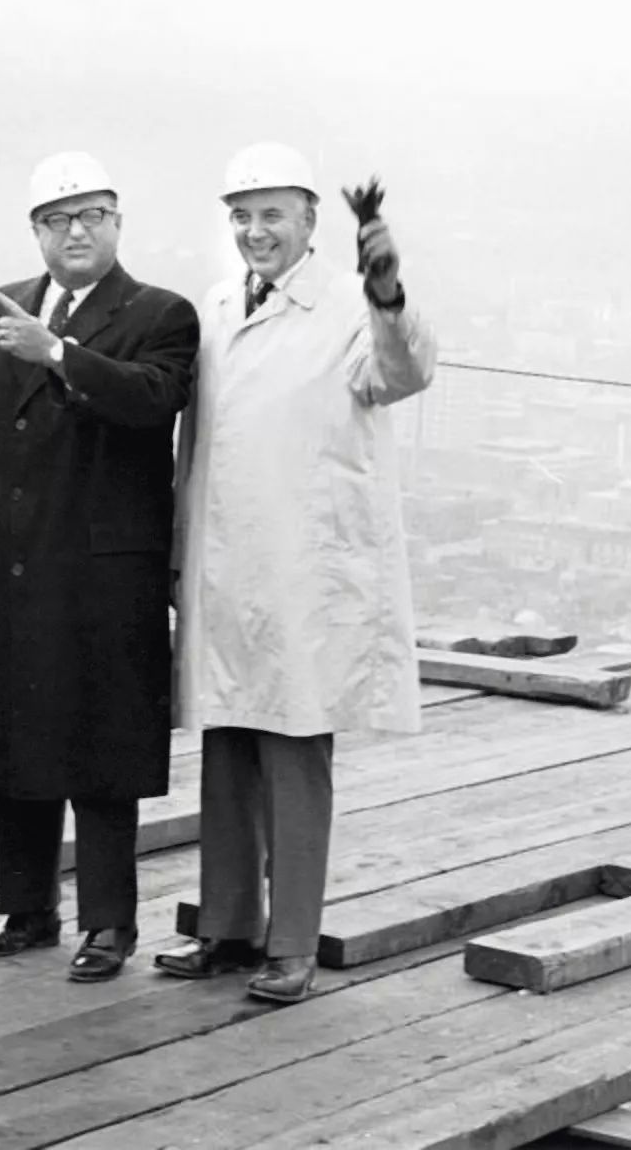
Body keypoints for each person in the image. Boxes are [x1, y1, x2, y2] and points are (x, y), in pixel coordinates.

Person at [159, 142, 436, 1003]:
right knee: (227, 744)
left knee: (292, 747)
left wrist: (389, 291)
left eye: (273, 214)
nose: (255, 232)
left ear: (311, 220)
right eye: (240, 216)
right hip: (223, 562)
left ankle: (292, 944)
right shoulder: (212, 307)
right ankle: (229, 930)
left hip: (302, 568)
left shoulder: (353, 304)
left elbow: (402, 371)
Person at [0, 151, 199, 982]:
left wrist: (58, 353)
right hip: (18, 565)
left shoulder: (161, 312)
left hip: (104, 575)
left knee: (103, 756)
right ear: (36, 232)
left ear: (117, 223)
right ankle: (26, 908)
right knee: (17, 741)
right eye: (59, 219)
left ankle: (109, 925)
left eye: (92, 215)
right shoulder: (0, 311)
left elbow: (147, 398)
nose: (76, 232)